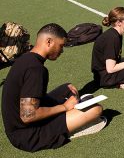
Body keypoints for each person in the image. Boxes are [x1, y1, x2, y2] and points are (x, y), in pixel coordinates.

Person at [1, 24, 106, 152]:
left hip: (17, 127)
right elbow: (28, 115)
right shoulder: (36, 69)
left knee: (68, 89)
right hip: (27, 136)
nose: (61, 51)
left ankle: (70, 115)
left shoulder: (26, 58)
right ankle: (69, 130)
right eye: (61, 46)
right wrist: (64, 107)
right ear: (49, 41)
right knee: (96, 110)